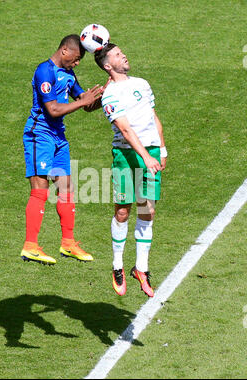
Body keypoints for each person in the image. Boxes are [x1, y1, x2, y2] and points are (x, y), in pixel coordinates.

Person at [21, 34, 104, 265]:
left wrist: (103, 97)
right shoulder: (44, 71)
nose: (76, 64)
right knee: (40, 188)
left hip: (58, 137)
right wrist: (83, 101)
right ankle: (30, 246)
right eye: (76, 59)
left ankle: (68, 243)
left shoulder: (68, 74)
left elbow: (85, 104)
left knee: (66, 187)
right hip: (40, 135)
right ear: (64, 51)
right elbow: (53, 110)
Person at [94, 44, 167, 297]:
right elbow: (125, 129)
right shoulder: (109, 95)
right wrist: (145, 156)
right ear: (107, 66)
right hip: (126, 156)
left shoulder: (143, 83)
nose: (123, 55)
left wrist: (162, 148)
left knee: (147, 210)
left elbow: (153, 115)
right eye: (116, 55)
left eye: (122, 52)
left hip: (152, 153)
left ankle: (141, 269)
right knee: (123, 211)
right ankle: (117, 265)